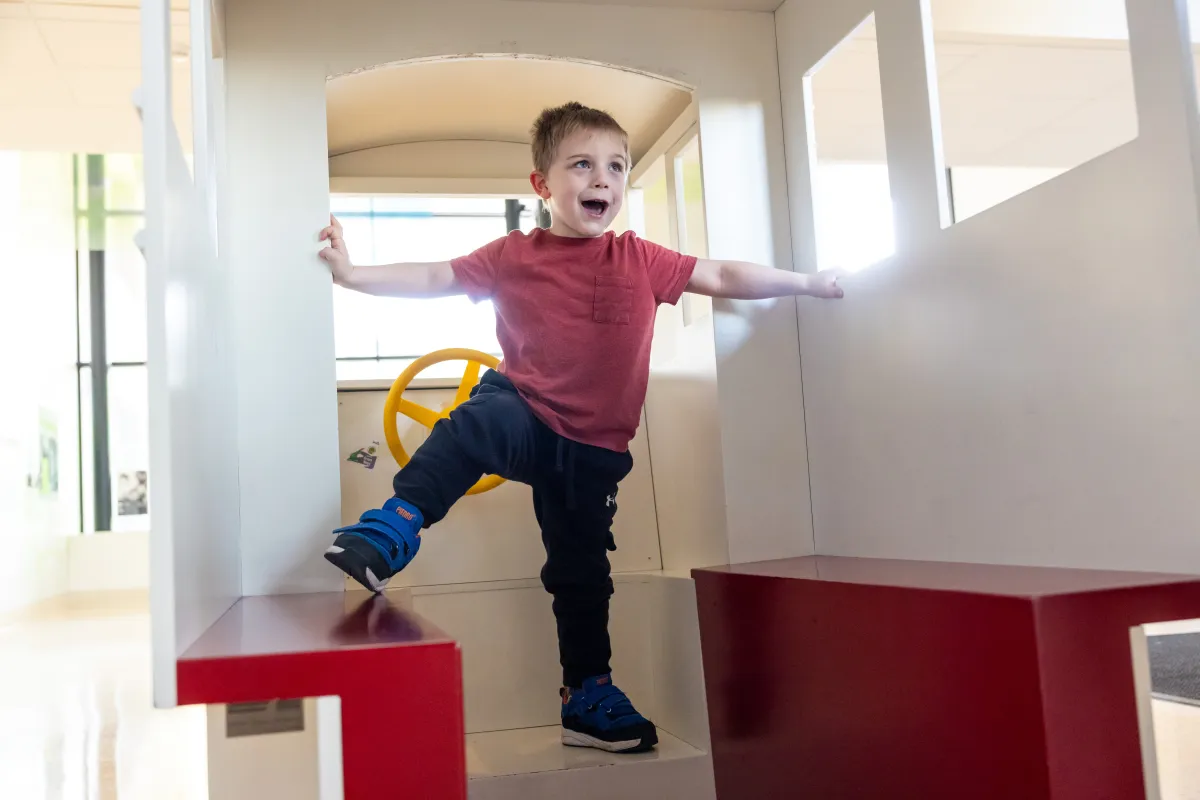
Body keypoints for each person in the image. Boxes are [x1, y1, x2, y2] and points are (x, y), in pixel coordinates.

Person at [317, 102, 843, 754]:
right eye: (582, 165)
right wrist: (351, 274)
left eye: (616, 167)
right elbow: (433, 276)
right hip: (526, 410)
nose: (602, 179)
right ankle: (394, 527)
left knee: (583, 573)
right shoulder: (513, 255)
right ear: (542, 184)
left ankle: (587, 695)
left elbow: (723, 274)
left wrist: (809, 283)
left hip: (594, 451)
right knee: (473, 424)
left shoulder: (640, 258)